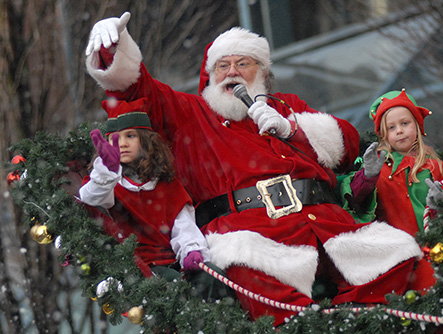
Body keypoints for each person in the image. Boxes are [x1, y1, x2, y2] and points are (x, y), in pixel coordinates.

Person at [84, 12, 423, 325]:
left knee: (397, 258)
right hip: (251, 233)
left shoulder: (288, 106)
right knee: (253, 279)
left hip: (326, 222)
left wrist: (292, 128)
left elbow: (348, 144)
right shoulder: (192, 114)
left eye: (242, 63)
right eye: (223, 66)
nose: (231, 72)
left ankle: (351, 322)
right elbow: (137, 90)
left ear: (261, 73)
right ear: (210, 77)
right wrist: (115, 53)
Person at [338, 89, 443, 293]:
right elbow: (354, 198)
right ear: (384, 135)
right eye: (391, 127)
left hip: (435, 251)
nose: (399, 131)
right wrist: (367, 175)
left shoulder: (435, 166)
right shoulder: (379, 167)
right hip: (397, 260)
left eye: (404, 123)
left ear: (417, 126)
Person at [79, 98, 210, 280]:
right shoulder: (107, 184)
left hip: (173, 262)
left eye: (130, 136)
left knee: (211, 278)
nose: (122, 144)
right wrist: (107, 171)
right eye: (114, 139)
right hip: (133, 269)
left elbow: (183, 227)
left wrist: (192, 251)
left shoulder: (167, 185)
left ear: (146, 141)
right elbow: (90, 198)